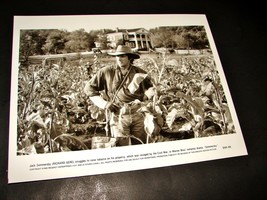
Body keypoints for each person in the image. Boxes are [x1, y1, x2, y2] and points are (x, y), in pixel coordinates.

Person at [84, 45, 155, 146]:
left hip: (138, 113)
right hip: (118, 113)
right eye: (117, 56)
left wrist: (146, 96)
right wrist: (104, 104)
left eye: (122, 56)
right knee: (121, 144)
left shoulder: (140, 72)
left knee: (140, 143)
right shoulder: (107, 72)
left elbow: (152, 87)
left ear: (130, 58)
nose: (119, 58)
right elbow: (89, 89)